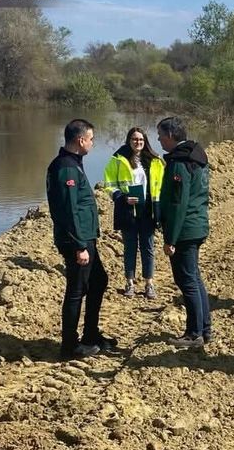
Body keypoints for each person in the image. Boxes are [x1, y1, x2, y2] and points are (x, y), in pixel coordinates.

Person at [46, 119, 116, 359]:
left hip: (86, 238)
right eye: (92, 139)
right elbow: (68, 210)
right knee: (77, 290)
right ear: (80, 140)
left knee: (98, 281)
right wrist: (78, 245)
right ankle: (69, 346)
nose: (93, 144)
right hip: (77, 241)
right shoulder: (65, 167)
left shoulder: (73, 163)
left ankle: (90, 334)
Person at [156, 116, 212, 348]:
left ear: (170, 136)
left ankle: (194, 333)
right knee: (194, 279)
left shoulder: (180, 162)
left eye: (160, 134)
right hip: (196, 225)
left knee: (187, 281)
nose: (158, 139)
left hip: (186, 229)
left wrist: (171, 238)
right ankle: (204, 328)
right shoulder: (194, 156)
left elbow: (178, 203)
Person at [103, 127, 165, 299]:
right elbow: (108, 183)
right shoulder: (117, 160)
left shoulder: (155, 161)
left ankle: (149, 284)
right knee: (130, 247)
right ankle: (129, 283)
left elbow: (161, 185)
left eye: (141, 140)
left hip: (148, 210)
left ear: (145, 142)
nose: (138, 142)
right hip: (127, 210)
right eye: (134, 139)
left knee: (148, 247)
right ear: (128, 141)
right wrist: (122, 197)